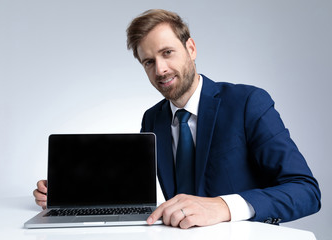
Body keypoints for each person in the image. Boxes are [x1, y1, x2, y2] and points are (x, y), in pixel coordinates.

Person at [34, 9, 321, 229]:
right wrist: (70, 194)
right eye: (149, 61)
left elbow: (306, 190)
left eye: (167, 53)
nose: (160, 69)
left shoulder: (247, 103)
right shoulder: (153, 119)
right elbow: (130, 189)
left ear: (191, 49)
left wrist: (222, 207)